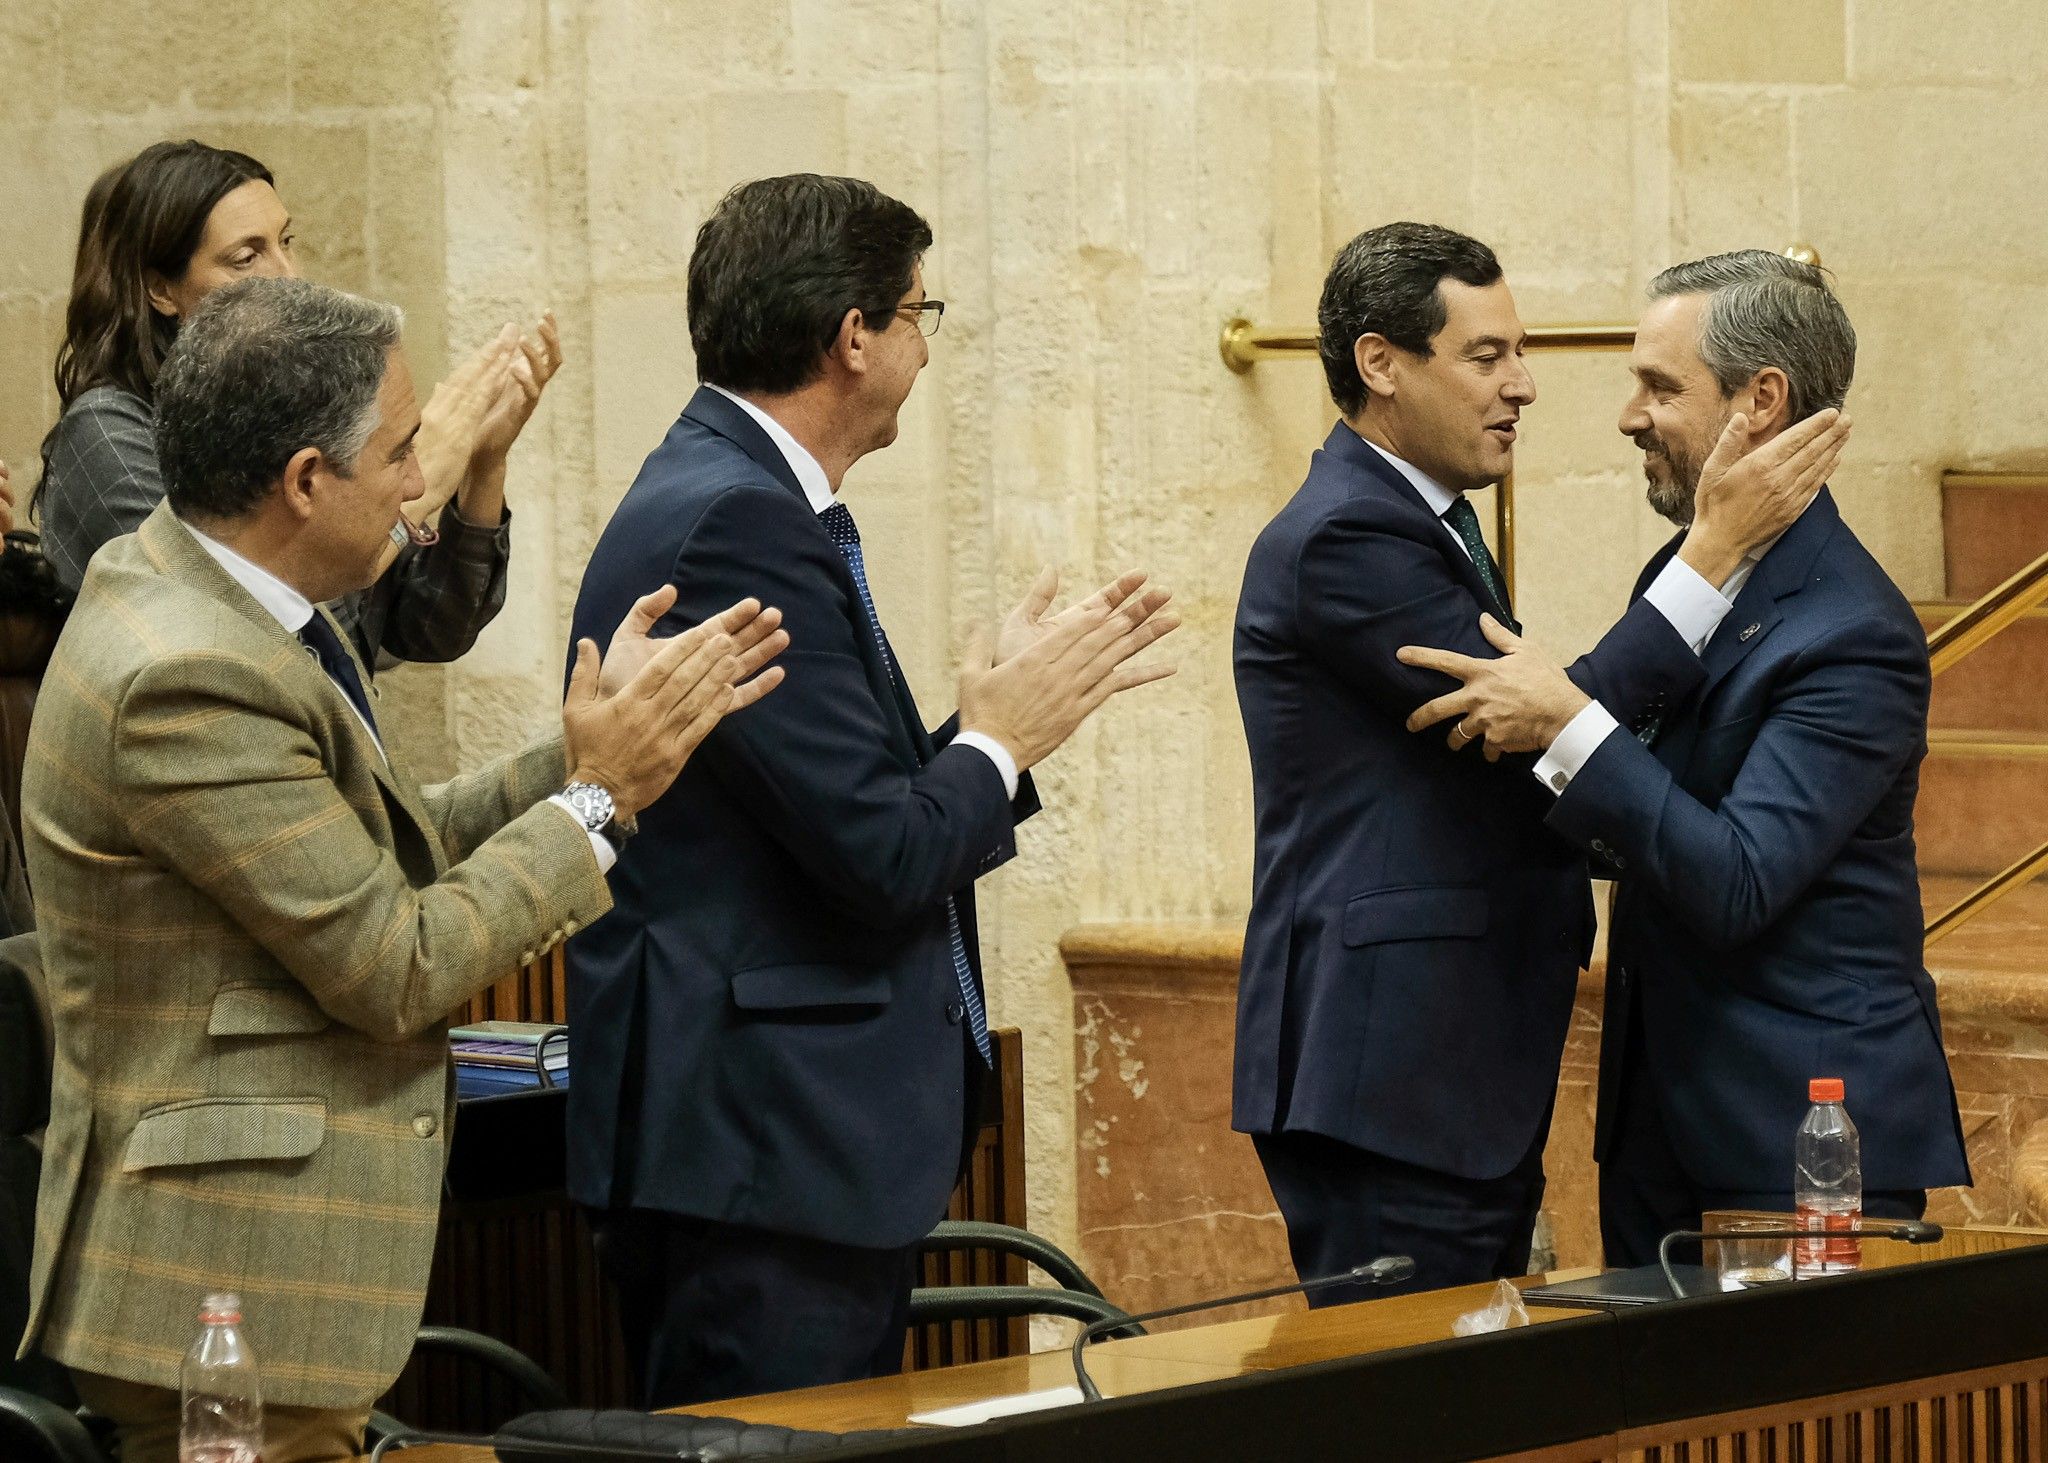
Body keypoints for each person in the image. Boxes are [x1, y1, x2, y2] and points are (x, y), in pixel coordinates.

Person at [16, 277, 787, 1463]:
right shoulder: (179, 673)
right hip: (218, 1309)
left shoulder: (211, 596)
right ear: (305, 481)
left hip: (264, 1299)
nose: (420, 482)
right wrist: (598, 797)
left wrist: (590, 747)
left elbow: (381, 845)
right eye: (398, 451)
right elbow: (395, 959)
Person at [564, 173, 1179, 1407]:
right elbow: (879, 856)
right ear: (854, 336)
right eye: (917, 313)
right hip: (766, 1149)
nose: (920, 344)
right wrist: (998, 745)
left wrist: (985, 732)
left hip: (769, 1148)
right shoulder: (737, 515)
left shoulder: (724, 488)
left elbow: (831, 806)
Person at [1231, 223, 1849, 1301]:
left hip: (1444, 1074)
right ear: (1380, 363)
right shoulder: (1348, 537)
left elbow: (1552, 726)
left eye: (1518, 352)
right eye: (1484, 356)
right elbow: (1540, 731)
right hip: (1393, 1076)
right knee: (1411, 1407)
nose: (1520, 385)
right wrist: (1711, 548)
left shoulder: (1420, 520)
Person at [1398, 250, 1971, 1265]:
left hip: (1799, 1143)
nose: (1627, 415)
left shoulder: (1853, 630)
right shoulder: (1680, 571)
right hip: (1656, 1131)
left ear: (1760, 400)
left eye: (1658, 386)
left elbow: (1739, 878)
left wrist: (1568, 722)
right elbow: (1646, 812)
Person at [35, 138, 555, 669]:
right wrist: (425, 481)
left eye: (287, 242)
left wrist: (483, 464)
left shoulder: (278, 413)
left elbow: (432, 631)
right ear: (161, 290)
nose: (288, 276)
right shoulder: (106, 429)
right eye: (246, 257)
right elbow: (268, 639)